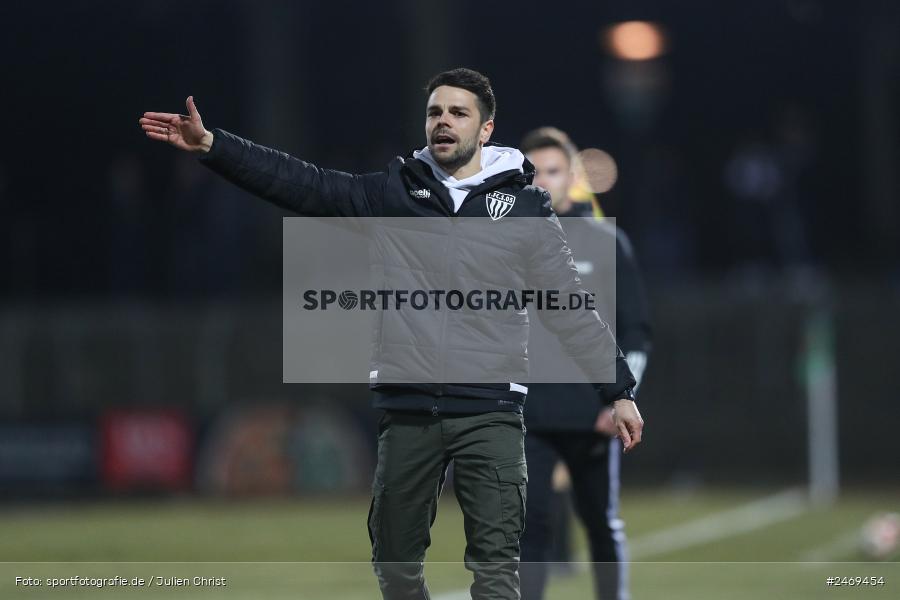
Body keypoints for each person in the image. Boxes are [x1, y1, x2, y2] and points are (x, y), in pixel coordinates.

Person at [139, 68, 644, 600]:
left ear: (486, 129)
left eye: (458, 113)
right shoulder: (394, 193)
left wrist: (619, 390)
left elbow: (569, 304)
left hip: (490, 411)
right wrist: (214, 146)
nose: (443, 122)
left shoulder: (523, 206)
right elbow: (305, 184)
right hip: (409, 411)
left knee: (497, 575)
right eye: (434, 112)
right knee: (395, 568)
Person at [518, 128, 652, 600]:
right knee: (527, 532)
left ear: (572, 176)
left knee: (600, 526)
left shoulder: (606, 241)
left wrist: (620, 398)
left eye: (552, 171)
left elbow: (635, 331)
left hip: (593, 417)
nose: (542, 182)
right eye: (532, 172)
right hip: (528, 417)